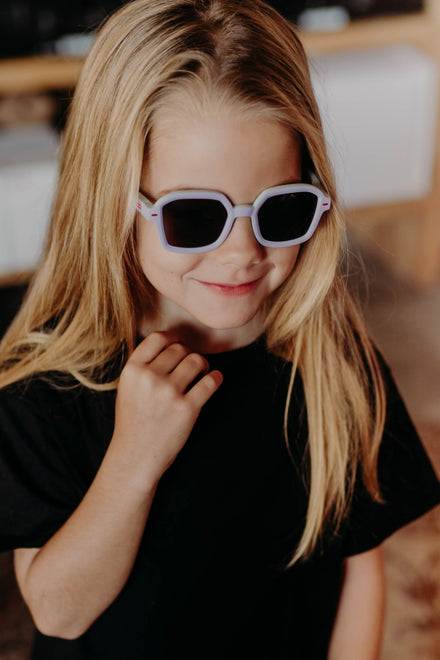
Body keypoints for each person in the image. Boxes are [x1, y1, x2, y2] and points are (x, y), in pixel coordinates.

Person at [0, 1, 439, 658]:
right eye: (195, 216)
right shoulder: (50, 381)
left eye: (280, 209)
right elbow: (59, 613)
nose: (242, 253)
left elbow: (361, 566)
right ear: (112, 200)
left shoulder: (334, 366)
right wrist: (136, 458)